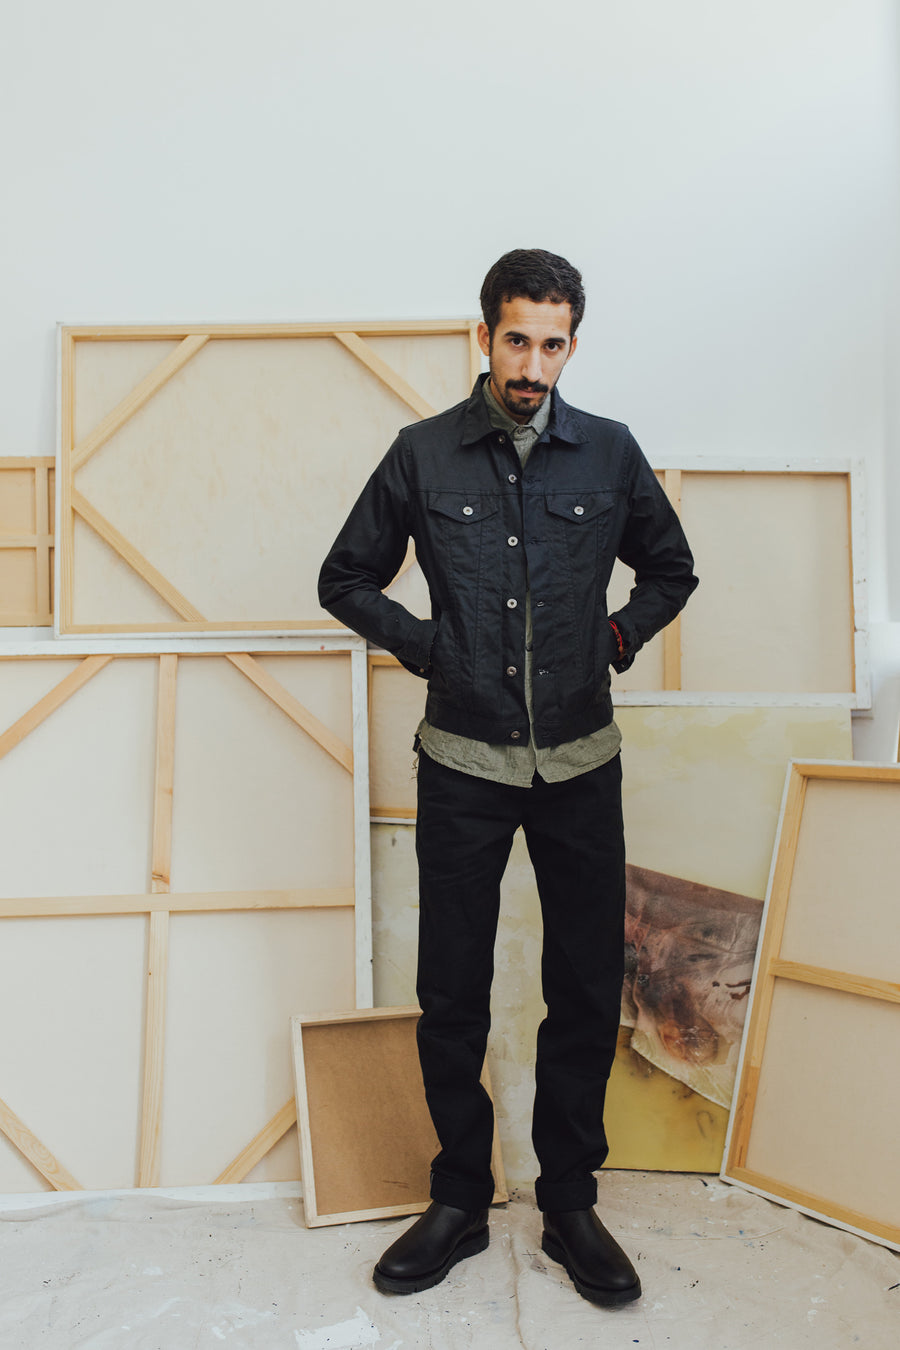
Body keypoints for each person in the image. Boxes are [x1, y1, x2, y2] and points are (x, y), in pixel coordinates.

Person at [318, 248, 698, 1307]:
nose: (534, 363)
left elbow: (672, 568)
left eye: (554, 342)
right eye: (517, 338)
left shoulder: (610, 456)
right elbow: (342, 577)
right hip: (463, 762)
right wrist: (429, 646)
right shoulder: (422, 455)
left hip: (580, 762)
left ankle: (571, 1201)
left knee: (582, 986)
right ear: (482, 335)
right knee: (453, 988)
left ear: (574, 343)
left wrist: (614, 638)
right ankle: (458, 1200)